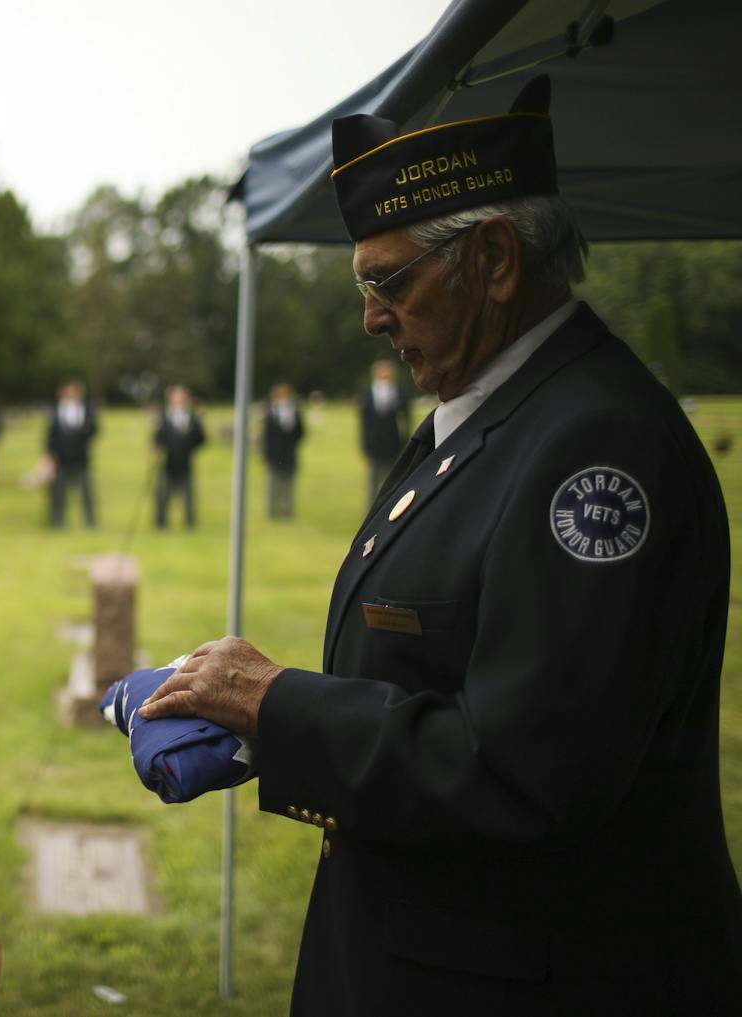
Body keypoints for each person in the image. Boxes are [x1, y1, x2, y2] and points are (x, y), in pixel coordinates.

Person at [138, 77, 742, 1014]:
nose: (372, 316)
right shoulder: (501, 407)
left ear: (495, 260)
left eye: (389, 280)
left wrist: (279, 701)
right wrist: (259, 721)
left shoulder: (598, 444)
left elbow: (525, 770)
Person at [45, 380, 98, 528]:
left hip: (81, 458)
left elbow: (94, 430)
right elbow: (51, 436)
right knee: (59, 493)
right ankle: (58, 522)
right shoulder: (56, 411)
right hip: (61, 459)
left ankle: (91, 522)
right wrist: (50, 456)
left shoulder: (87, 410)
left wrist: (83, 429)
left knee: (86, 492)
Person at [152, 384, 205, 529]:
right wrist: (156, 450)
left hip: (185, 462)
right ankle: (160, 524)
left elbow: (201, 439)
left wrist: (190, 436)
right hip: (167, 463)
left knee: (188, 496)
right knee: (163, 495)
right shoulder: (164, 417)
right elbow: (158, 438)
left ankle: (190, 524)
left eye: (181, 397)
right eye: (175, 397)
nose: (178, 400)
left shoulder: (192, 417)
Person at [358, 358, 410, 504]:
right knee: (373, 480)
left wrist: (405, 441)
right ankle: (371, 509)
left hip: (395, 442)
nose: (385, 373)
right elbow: (363, 423)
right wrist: (364, 445)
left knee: (394, 479)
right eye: (381, 370)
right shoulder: (366, 395)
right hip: (374, 443)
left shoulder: (401, 393)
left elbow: (406, 420)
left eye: (388, 370)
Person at [263, 383, 305, 519]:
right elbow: (266, 435)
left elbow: (300, 432)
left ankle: (288, 511)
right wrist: (267, 455)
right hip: (274, 454)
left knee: (289, 484)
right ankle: (273, 511)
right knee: (273, 484)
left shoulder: (294, 412)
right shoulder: (270, 412)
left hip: (289, 453)